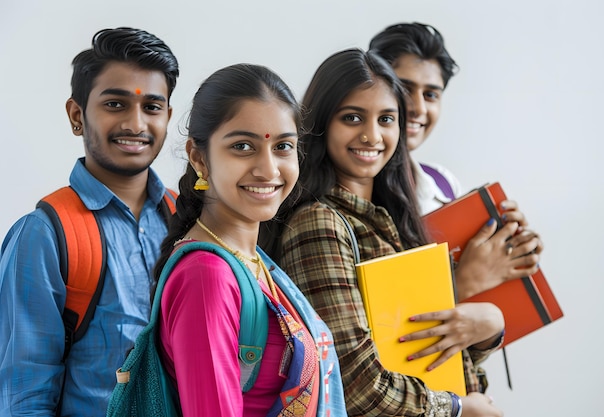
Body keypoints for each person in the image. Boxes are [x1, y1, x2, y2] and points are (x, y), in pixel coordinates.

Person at [261, 48, 504, 417]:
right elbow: (357, 386)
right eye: (353, 117)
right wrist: (455, 408)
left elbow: (425, 350)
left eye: (386, 119)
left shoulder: (395, 219)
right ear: (322, 124)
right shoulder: (319, 223)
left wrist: (486, 329)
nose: (372, 135)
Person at [0, 27, 179, 416]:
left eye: (151, 107)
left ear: (168, 116)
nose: (136, 124)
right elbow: (24, 394)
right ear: (77, 115)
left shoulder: (192, 219)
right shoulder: (45, 234)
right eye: (115, 104)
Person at [151, 63, 347, 416]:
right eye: (243, 146)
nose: (269, 170)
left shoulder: (252, 261)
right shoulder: (207, 277)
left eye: (283, 147)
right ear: (199, 158)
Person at [369, 22, 543, 301]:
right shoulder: (351, 189)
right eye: (404, 88)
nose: (419, 108)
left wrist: (510, 249)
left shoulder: (443, 183)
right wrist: (462, 282)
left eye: (431, 94)